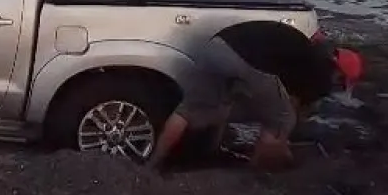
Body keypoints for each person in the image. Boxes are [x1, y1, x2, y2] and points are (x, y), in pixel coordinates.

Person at [147, 21, 363, 171]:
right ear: (337, 69)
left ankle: (155, 163)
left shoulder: (307, 49)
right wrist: (285, 137)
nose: (337, 85)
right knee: (282, 118)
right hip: (244, 58)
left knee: (192, 108)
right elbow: (293, 105)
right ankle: (258, 170)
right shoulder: (321, 73)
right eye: (341, 81)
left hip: (214, 47)